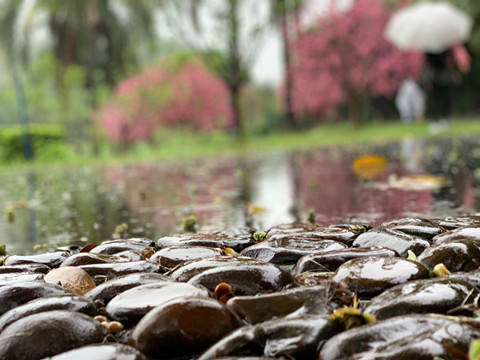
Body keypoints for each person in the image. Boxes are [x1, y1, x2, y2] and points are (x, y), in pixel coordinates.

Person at [421, 44, 470, 121]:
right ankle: (435, 119)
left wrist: (462, 63)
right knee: (434, 97)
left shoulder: (447, 43)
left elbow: (457, 53)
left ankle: (444, 118)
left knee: (445, 96)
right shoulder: (427, 45)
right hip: (433, 74)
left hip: (444, 73)